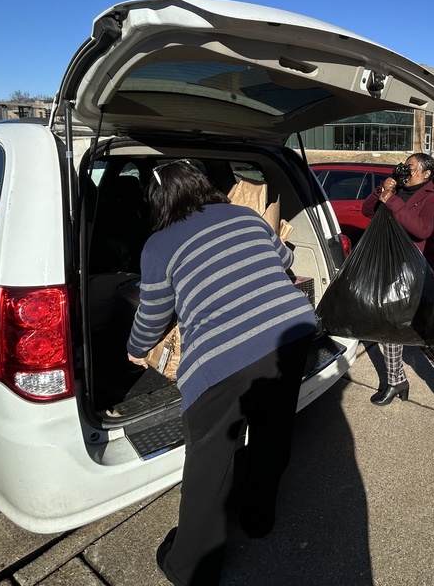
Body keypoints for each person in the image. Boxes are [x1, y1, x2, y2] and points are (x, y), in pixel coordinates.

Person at [126, 160, 316, 586]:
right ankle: (258, 518)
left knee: (209, 464)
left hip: (220, 360)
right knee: (272, 433)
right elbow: (283, 256)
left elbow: (153, 314)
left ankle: (191, 566)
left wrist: (136, 350)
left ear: (157, 202)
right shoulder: (245, 215)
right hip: (291, 332)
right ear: (203, 185)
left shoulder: (158, 245)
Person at [360, 152, 434, 409]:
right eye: (404, 165)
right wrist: (382, 189)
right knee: (398, 327)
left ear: (425, 173)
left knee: (409, 330)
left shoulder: (432, 197)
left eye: (409, 168)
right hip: (390, 266)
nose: (404, 170)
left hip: (416, 272)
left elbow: (422, 230)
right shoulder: (396, 189)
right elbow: (368, 211)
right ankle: (409, 379)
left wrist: (392, 202)